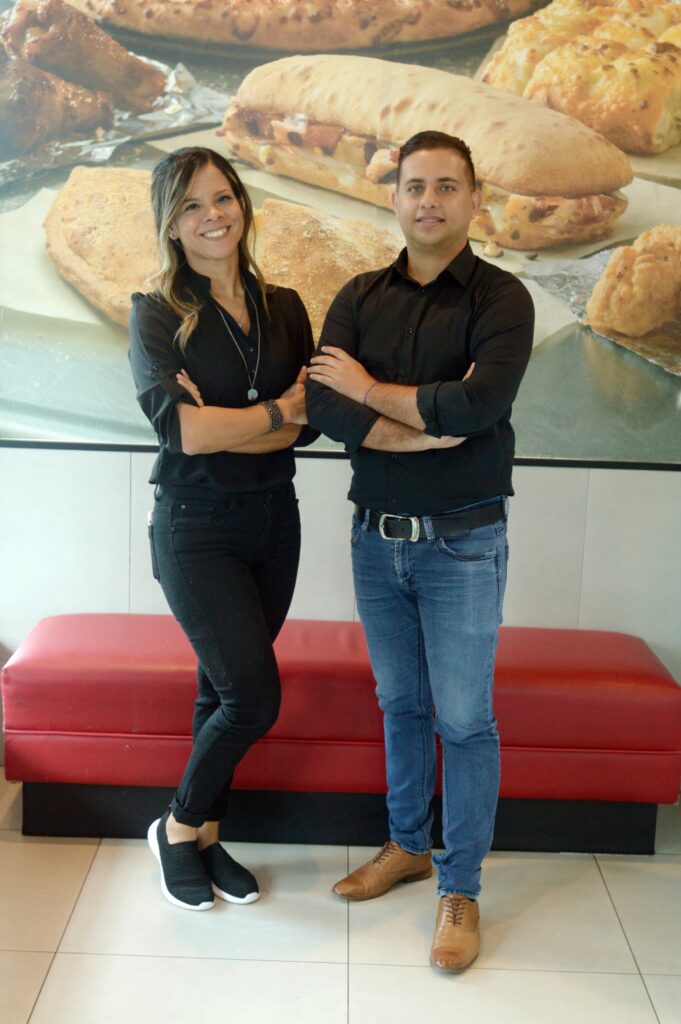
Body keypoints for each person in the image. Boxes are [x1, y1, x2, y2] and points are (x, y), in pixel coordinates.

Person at [306, 130, 534, 972]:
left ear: (474, 200)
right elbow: (323, 407)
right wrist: (410, 428)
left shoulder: (503, 299)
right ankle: (406, 845)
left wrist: (370, 390)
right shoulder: (359, 295)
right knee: (399, 705)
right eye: (414, 186)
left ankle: (459, 887)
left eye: (445, 186)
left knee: (464, 720)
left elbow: (476, 407)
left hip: (463, 545)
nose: (428, 200)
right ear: (394, 197)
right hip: (375, 540)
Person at [129, 146, 317, 912]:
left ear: (242, 203)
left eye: (222, 198)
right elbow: (186, 434)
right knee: (252, 698)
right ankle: (175, 826)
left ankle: (205, 836)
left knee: (221, 690)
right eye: (191, 206)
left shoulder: (286, 307)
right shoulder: (155, 313)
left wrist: (233, 422)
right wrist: (273, 413)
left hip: (275, 520)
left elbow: (309, 425)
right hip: (195, 528)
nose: (212, 216)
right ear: (171, 226)